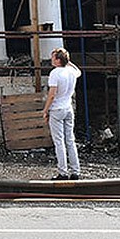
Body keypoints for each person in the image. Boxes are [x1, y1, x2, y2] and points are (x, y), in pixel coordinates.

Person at [41, 47, 81, 180]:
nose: (51, 59)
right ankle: (76, 171)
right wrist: (67, 61)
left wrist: (45, 110)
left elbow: (52, 95)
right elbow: (78, 71)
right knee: (70, 140)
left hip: (57, 109)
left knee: (59, 142)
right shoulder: (71, 71)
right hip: (68, 108)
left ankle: (63, 172)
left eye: (53, 57)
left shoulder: (55, 73)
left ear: (58, 60)